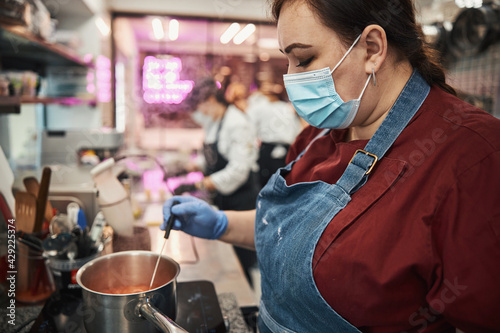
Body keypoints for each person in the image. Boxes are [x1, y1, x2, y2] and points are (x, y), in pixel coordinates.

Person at [162, 1, 500, 332]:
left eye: (304, 59)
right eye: (288, 61)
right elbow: (300, 234)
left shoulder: (472, 157)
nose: (290, 79)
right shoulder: (317, 137)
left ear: (371, 49)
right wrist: (223, 224)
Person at [186, 77, 260, 285]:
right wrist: (190, 166)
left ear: (210, 100)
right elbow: (212, 157)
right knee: (226, 256)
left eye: (200, 106)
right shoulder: (215, 122)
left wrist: (200, 184)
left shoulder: (237, 123)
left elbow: (238, 171)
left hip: (241, 201)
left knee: (240, 261)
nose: (199, 112)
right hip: (224, 198)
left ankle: (246, 308)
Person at [246, 81, 303, 187]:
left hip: (268, 151)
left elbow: (250, 130)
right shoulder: (287, 109)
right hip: (285, 151)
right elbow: (297, 131)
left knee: (266, 184)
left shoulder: (261, 108)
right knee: (284, 183)